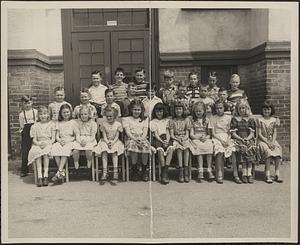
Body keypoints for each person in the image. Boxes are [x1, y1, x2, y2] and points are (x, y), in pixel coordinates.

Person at [122, 99, 151, 182]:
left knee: (145, 146)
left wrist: (141, 139)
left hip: (142, 138)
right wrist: (135, 139)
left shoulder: (145, 119)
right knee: (133, 146)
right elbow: (128, 132)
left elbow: (145, 132)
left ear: (141, 110)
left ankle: (144, 170)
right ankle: (134, 170)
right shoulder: (126, 119)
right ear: (131, 109)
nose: (137, 111)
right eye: (135, 109)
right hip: (131, 138)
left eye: (138, 110)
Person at [94, 107, 124, 183]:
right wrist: (107, 142)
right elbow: (104, 135)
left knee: (114, 151)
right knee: (104, 151)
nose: (108, 118)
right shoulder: (104, 124)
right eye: (107, 116)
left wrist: (112, 142)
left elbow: (117, 136)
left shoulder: (118, 124)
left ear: (114, 116)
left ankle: (115, 171)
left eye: (110, 116)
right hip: (105, 140)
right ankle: (104, 172)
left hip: (115, 141)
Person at [27, 106, 56, 187]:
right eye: (41, 114)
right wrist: (39, 144)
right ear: (38, 115)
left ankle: (45, 175)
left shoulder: (51, 124)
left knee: (45, 153)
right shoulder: (35, 126)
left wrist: (46, 143)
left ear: (48, 115)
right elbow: (34, 139)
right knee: (37, 153)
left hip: (48, 143)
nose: (43, 116)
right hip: (38, 143)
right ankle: (40, 176)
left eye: (45, 114)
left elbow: (53, 139)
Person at [230, 99, 257, 184]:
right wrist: (241, 139)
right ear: (237, 109)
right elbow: (233, 133)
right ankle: (244, 174)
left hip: (248, 138)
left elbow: (252, 133)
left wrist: (247, 139)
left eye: (244, 108)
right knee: (242, 149)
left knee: (250, 149)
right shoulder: (235, 119)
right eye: (240, 108)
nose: (242, 110)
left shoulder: (250, 119)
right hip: (238, 138)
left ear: (247, 108)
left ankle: (249, 174)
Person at [210, 101, 237, 184]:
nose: (219, 110)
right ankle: (219, 173)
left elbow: (230, 132)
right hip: (217, 137)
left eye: (221, 108)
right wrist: (221, 141)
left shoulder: (228, 118)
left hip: (227, 137)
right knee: (219, 151)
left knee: (233, 150)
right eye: (217, 108)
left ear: (224, 108)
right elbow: (213, 133)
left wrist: (228, 140)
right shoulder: (213, 118)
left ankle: (235, 173)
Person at [257, 100, 283, 183]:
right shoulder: (259, 120)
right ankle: (267, 174)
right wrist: (268, 142)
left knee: (278, 150)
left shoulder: (274, 120)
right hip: (262, 140)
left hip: (272, 140)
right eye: (265, 109)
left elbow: (275, 132)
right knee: (268, 152)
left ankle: (277, 173)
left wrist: (272, 141)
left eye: (268, 109)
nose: (266, 111)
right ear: (262, 110)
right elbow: (259, 134)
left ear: (271, 110)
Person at [189, 102, 215, 182]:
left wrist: (205, 137)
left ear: (204, 111)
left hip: (205, 138)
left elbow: (209, 134)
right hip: (196, 138)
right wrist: (198, 137)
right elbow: (191, 134)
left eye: (200, 111)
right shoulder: (193, 120)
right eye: (196, 111)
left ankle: (209, 170)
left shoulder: (207, 120)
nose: (198, 113)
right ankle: (200, 170)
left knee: (209, 145)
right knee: (199, 147)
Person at [51, 104, 77, 183]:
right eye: (64, 112)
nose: (66, 114)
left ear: (70, 112)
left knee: (65, 150)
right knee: (55, 148)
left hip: (70, 141)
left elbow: (75, 136)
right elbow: (57, 136)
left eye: (67, 112)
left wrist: (68, 141)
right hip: (61, 141)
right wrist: (60, 141)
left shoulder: (73, 122)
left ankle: (59, 171)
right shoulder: (59, 123)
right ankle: (61, 172)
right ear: (61, 113)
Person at [150, 103, 174, 184]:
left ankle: (165, 172)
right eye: (157, 111)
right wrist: (161, 141)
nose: (159, 113)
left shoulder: (167, 120)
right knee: (160, 151)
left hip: (167, 138)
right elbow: (155, 134)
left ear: (164, 111)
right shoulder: (153, 122)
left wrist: (167, 140)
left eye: (161, 111)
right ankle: (164, 171)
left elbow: (168, 132)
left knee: (170, 149)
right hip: (158, 139)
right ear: (155, 112)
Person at [169, 102, 192, 183]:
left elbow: (187, 133)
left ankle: (186, 170)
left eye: (180, 109)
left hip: (184, 138)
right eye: (177, 109)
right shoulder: (172, 121)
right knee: (179, 148)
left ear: (183, 110)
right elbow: (171, 135)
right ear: (174, 110)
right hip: (176, 138)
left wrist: (184, 139)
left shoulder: (186, 120)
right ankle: (181, 171)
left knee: (186, 148)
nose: (178, 111)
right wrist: (178, 140)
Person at [72, 106, 97, 171]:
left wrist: (87, 141)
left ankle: (89, 160)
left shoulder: (93, 123)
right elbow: (77, 134)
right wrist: (80, 141)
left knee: (89, 150)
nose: (83, 116)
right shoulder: (77, 123)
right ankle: (76, 161)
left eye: (85, 114)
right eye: (82, 114)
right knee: (75, 150)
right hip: (80, 138)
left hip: (90, 139)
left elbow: (93, 136)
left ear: (89, 114)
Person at [19, 95, 38, 177]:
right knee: (25, 150)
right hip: (26, 131)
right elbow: (22, 126)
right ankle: (24, 169)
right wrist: (23, 133)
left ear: (32, 102)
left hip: (35, 129)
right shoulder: (22, 114)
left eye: (29, 103)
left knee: (36, 147)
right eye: (25, 103)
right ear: (22, 104)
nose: (27, 105)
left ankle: (38, 168)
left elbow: (38, 122)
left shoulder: (36, 112)